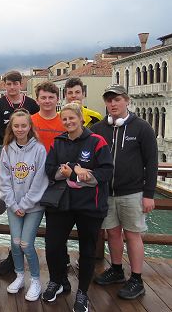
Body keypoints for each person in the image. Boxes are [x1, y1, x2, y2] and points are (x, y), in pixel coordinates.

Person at [42, 103, 113, 312]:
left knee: (87, 251)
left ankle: (82, 292)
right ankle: (58, 281)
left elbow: (106, 172)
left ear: (81, 118)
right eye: (64, 119)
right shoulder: (58, 142)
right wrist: (73, 171)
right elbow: (49, 169)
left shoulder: (97, 142)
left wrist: (81, 174)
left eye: (72, 118)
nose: (68, 122)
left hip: (90, 205)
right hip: (62, 203)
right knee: (53, 245)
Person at [92, 84, 158, 299]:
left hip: (132, 192)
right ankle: (117, 269)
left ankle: (137, 279)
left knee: (132, 235)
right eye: (109, 100)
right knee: (111, 232)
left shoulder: (142, 128)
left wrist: (149, 194)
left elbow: (152, 162)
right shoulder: (99, 129)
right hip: (107, 193)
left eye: (117, 99)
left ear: (127, 100)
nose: (113, 103)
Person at [0, 71, 39, 276]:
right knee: (5, 178)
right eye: (8, 84)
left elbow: (38, 127)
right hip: (6, 150)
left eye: (15, 84)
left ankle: (6, 198)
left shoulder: (32, 104)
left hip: (28, 153)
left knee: (23, 190)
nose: (12, 87)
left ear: (21, 84)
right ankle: (4, 195)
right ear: (5, 85)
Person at [0, 109, 48, 301]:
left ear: (30, 127)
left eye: (23, 125)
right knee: (15, 243)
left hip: (33, 206)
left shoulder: (39, 149)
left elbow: (40, 181)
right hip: (13, 205)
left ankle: (35, 279)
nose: (20, 129)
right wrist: (13, 203)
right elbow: (4, 180)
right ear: (11, 127)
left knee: (26, 244)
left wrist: (25, 204)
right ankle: (19, 275)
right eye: (16, 125)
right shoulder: (7, 149)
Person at [31, 81, 64, 152]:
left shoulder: (65, 122)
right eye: (43, 98)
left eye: (51, 97)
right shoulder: (29, 122)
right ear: (37, 100)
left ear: (57, 99)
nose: (47, 101)